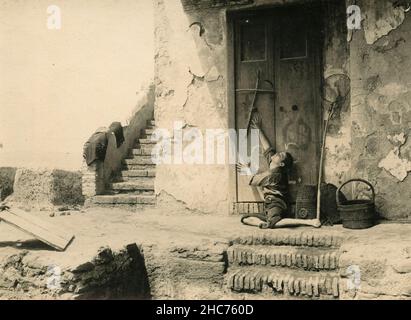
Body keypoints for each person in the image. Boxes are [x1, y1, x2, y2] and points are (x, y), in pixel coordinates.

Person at [237, 110, 321, 229]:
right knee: (245, 218)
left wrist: (246, 169)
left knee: (274, 223)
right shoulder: (273, 163)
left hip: (276, 203)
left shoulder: (274, 174)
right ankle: (262, 223)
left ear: (281, 164)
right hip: (273, 204)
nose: (277, 154)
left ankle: (309, 222)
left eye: (280, 155)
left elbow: (252, 180)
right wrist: (258, 129)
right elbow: (268, 148)